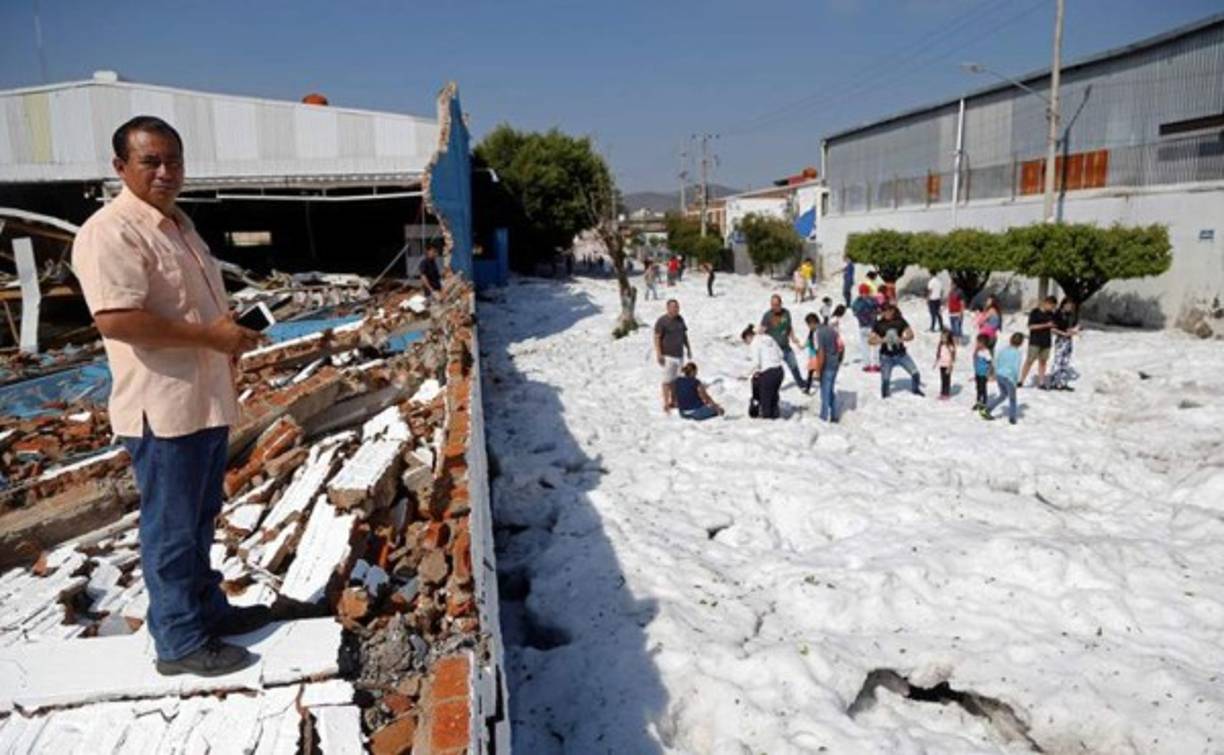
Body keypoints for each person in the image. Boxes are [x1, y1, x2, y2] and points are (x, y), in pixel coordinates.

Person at [72, 116, 269, 677]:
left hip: (203, 401)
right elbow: (117, 320)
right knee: (171, 529)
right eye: (150, 162)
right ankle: (179, 641)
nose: (165, 172)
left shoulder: (179, 225)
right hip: (161, 409)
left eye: (173, 161)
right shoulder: (111, 231)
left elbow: (188, 309)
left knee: (201, 517)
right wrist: (210, 337)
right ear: (120, 167)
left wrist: (228, 333)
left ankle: (208, 612)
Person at [869, 303, 923, 398]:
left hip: (901, 354)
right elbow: (870, 341)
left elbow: (911, 335)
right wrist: (882, 340)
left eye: (888, 311)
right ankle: (885, 396)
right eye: (883, 311)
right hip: (886, 356)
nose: (886, 313)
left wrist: (902, 339)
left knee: (915, 373)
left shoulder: (900, 321)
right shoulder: (878, 324)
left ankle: (916, 390)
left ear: (892, 311)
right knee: (885, 380)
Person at [760, 294, 809, 392]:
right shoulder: (767, 315)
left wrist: (793, 338)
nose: (774, 307)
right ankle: (768, 388)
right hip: (773, 350)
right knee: (772, 371)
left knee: (794, 365)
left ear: (780, 304)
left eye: (776, 305)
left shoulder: (786, 313)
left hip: (785, 346)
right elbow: (762, 330)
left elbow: (789, 327)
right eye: (772, 304)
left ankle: (801, 383)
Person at [654, 299, 691, 412]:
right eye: (673, 307)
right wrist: (659, 353)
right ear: (668, 308)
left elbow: (684, 335)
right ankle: (666, 402)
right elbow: (657, 337)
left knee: (676, 379)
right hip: (667, 355)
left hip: (679, 354)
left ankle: (674, 400)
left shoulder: (680, 319)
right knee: (667, 380)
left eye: (677, 307)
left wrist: (688, 348)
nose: (675, 309)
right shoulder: (662, 321)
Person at [805, 314, 843, 422]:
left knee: (825, 393)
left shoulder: (818, 333)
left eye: (809, 325)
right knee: (830, 390)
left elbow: (821, 353)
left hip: (827, 365)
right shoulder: (831, 330)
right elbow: (841, 346)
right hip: (835, 363)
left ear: (812, 323)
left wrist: (818, 370)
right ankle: (834, 415)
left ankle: (824, 417)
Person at [743, 325, 784, 419]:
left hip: (768, 374)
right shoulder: (769, 338)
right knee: (773, 396)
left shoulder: (755, 343)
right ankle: (776, 417)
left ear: (749, 336)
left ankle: (768, 421)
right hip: (779, 371)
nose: (747, 344)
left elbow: (756, 363)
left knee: (766, 401)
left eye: (746, 341)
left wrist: (745, 374)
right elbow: (781, 354)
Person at [982, 333, 1024, 424]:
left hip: (1000, 375)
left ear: (1010, 340)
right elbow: (1016, 368)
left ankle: (988, 409)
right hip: (1009, 377)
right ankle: (1012, 418)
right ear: (1021, 343)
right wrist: (1016, 380)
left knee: (1003, 395)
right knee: (1012, 399)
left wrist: (996, 372)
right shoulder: (1018, 354)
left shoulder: (1004, 350)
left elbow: (996, 361)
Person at [1019, 296, 1058, 389]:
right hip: (1035, 341)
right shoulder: (1035, 312)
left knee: (1043, 362)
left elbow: (1054, 326)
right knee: (1029, 361)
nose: (1052, 308)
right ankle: (1021, 381)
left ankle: (1041, 382)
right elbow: (1031, 327)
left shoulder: (1051, 314)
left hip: (1046, 341)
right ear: (1046, 303)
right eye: (1052, 306)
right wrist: (1045, 325)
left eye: (1054, 307)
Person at [1049, 298, 1081, 391]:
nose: (1070, 308)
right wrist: (1063, 333)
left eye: (1071, 306)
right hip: (1061, 339)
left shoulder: (1070, 315)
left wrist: (1075, 329)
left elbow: (1074, 326)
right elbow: (1052, 328)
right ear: (1063, 305)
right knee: (1058, 360)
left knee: (1066, 361)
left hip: (1069, 340)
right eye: (1068, 305)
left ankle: (1063, 382)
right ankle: (1055, 382)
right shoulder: (1057, 314)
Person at [851, 284, 880, 372]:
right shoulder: (873, 300)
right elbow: (879, 309)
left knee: (865, 347)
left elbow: (854, 311)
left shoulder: (857, 302)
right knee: (876, 346)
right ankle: (876, 365)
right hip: (873, 326)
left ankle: (866, 365)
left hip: (862, 326)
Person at [971, 334, 992, 411]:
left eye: (978, 342)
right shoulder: (978, 351)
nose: (976, 344)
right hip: (978, 372)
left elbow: (990, 362)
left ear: (983, 343)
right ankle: (978, 402)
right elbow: (974, 358)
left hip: (983, 374)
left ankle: (984, 403)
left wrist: (988, 373)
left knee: (983, 389)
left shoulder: (986, 352)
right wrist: (976, 351)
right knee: (978, 388)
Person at [935, 330, 956, 400]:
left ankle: (946, 393)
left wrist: (950, 366)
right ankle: (942, 392)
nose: (942, 339)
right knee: (943, 379)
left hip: (948, 365)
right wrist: (936, 362)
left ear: (948, 338)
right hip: (942, 365)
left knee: (947, 379)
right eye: (941, 337)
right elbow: (939, 355)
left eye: (944, 337)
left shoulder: (950, 346)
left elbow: (952, 357)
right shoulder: (941, 345)